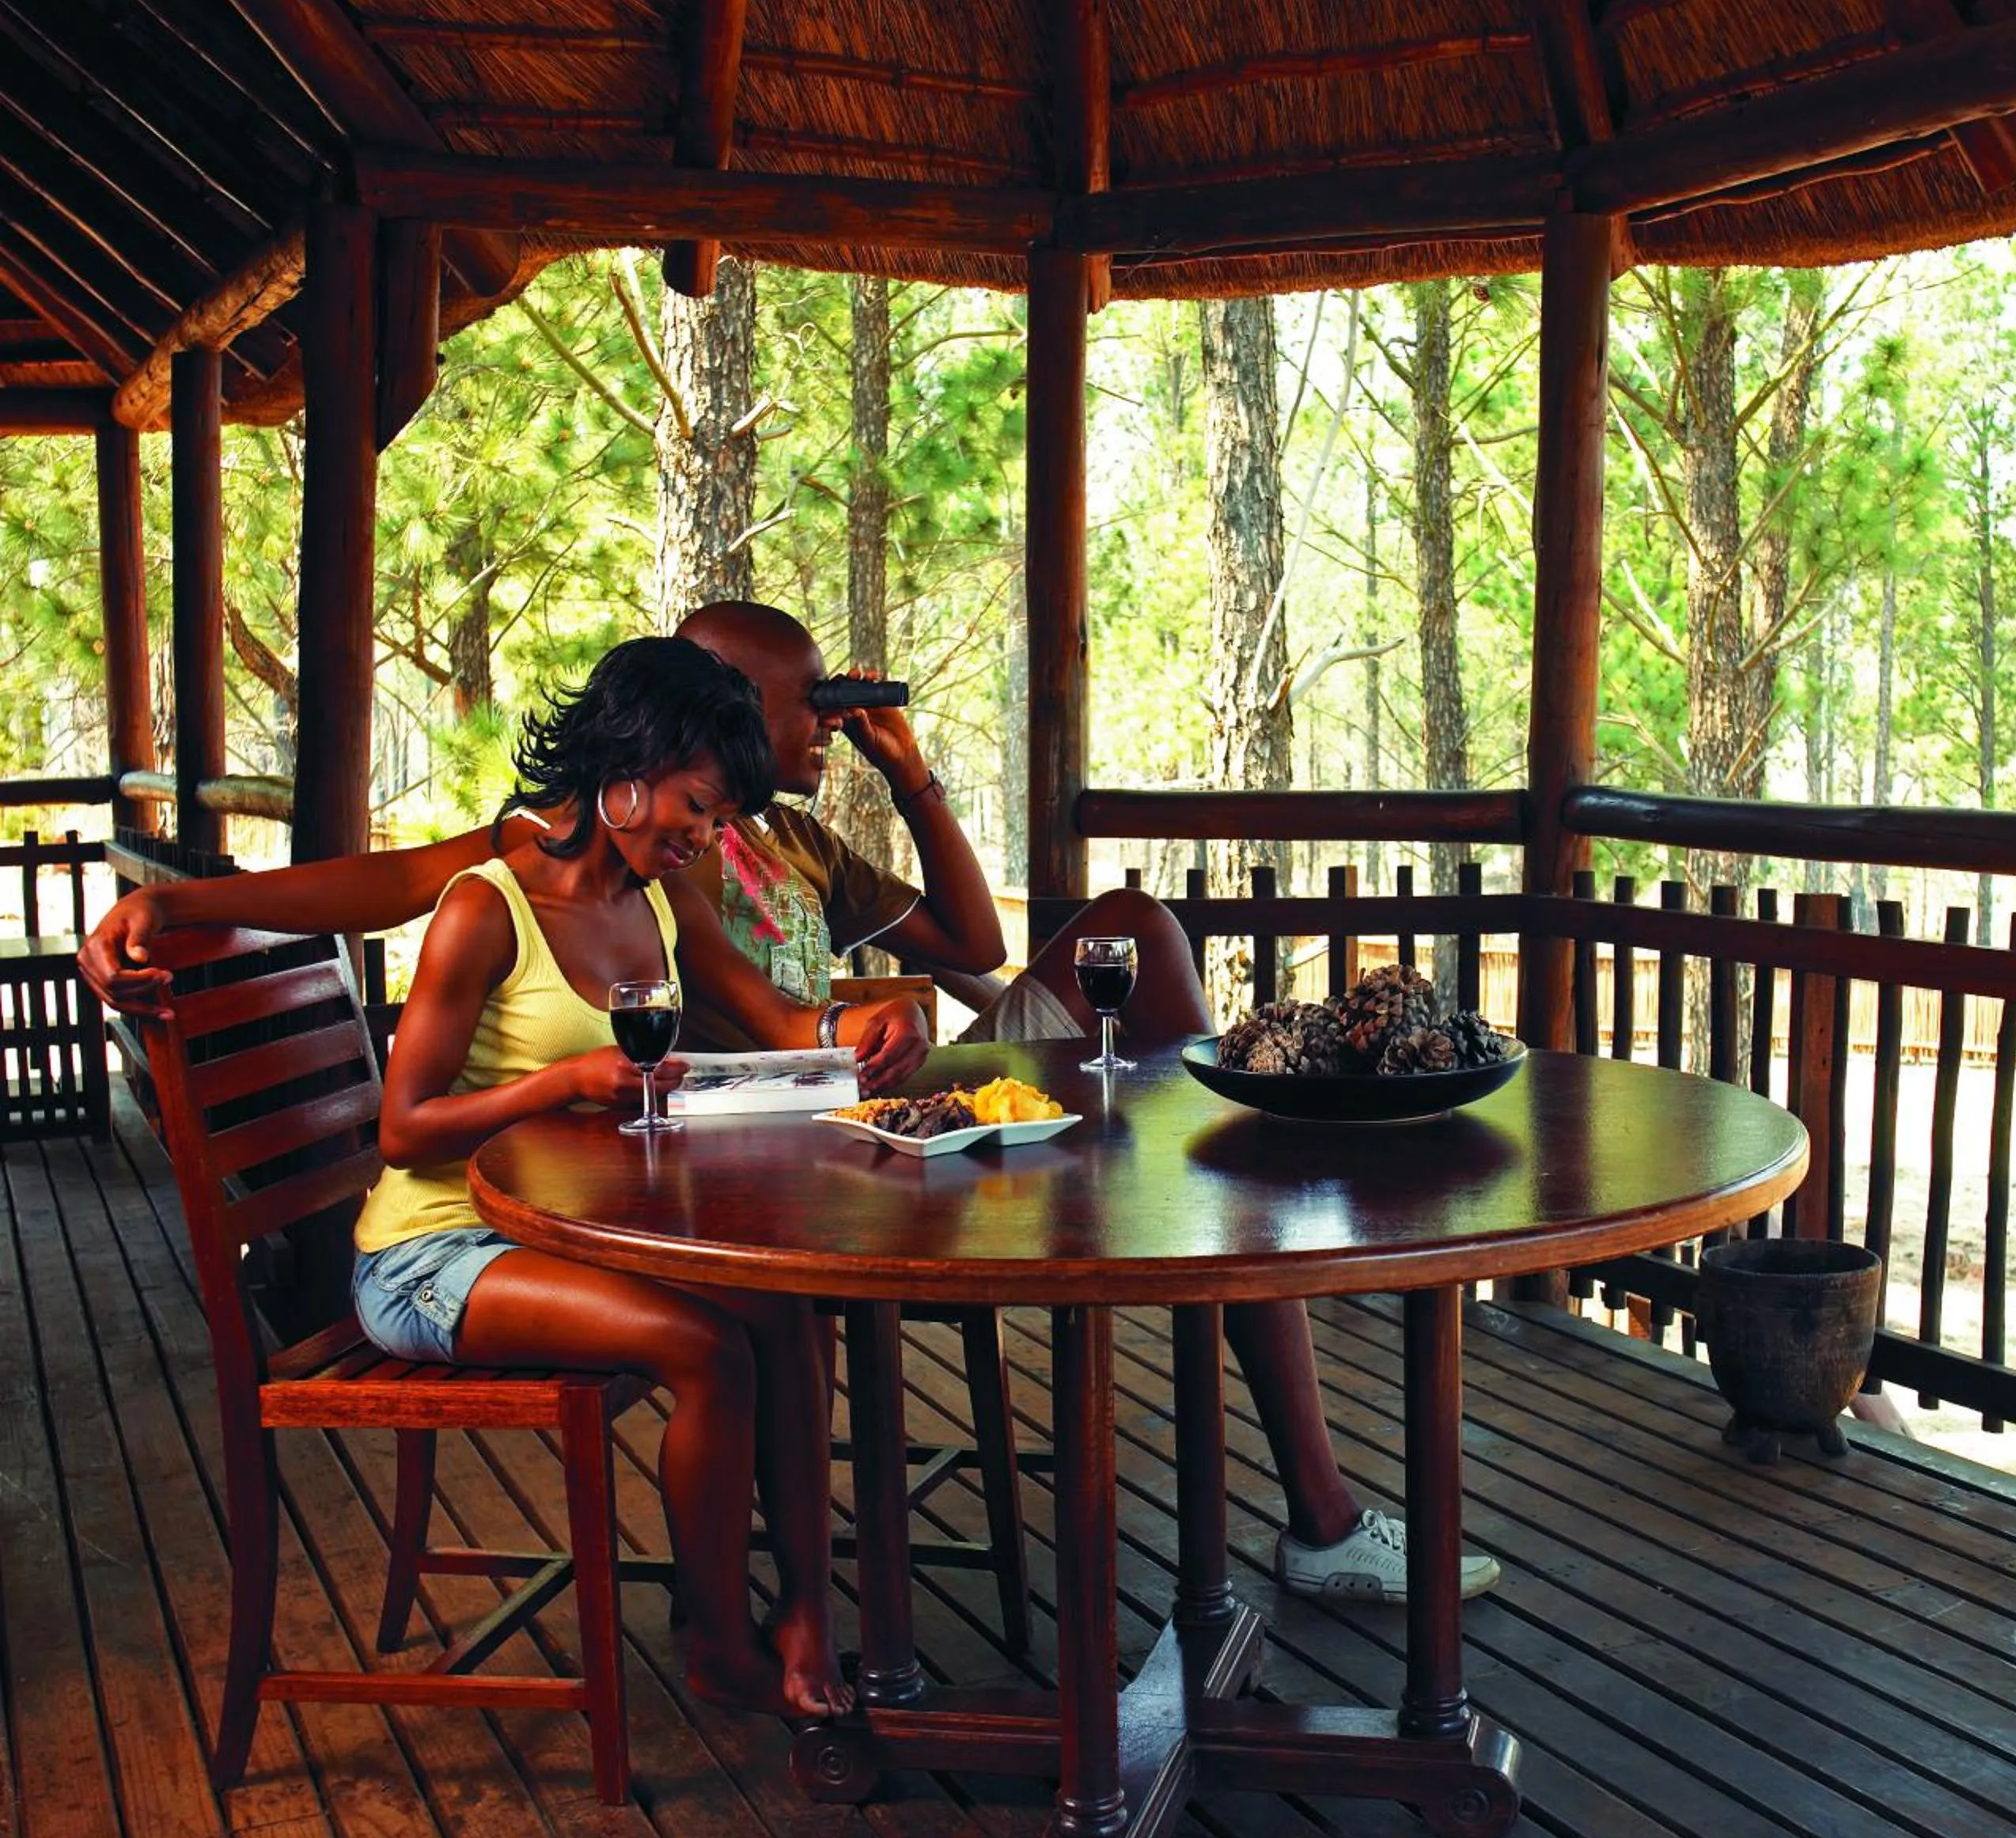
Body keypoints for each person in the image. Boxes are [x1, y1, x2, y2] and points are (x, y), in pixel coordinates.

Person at [81, 602, 1500, 1604]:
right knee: (751, 1327)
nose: (823, 721)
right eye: (804, 701)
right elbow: (397, 887)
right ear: (680, 738)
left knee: (1144, 954)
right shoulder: (615, 859)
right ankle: (804, 1622)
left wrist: (888, 883)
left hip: (839, 1098)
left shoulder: (752, 849)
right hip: (731, 1156)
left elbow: (927, 961)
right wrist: (179, 907)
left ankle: (1222, 1231)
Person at [353, 637, 868, 1719]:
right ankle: (720, 1645)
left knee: (785, 1309)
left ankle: (807, 1612)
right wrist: (564, 1082)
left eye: (721, 818)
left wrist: (854, 1034)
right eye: (698, 806)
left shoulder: (660, 903)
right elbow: (402, 1130)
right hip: (432, 1254)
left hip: (560, 1230)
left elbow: (783, 1021)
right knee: (703, 1345)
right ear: (627, 770)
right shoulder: (485, 908)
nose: (706, 838)